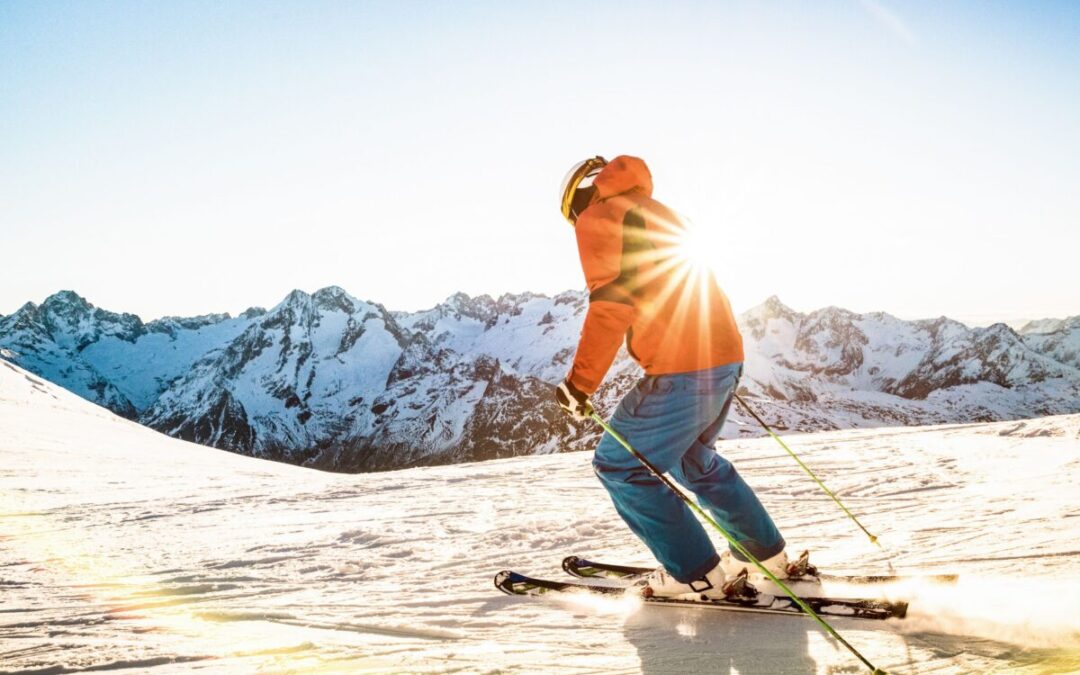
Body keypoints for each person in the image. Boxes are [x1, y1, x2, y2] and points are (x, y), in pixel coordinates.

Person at [554, 154, 791, 599]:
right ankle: (765, 555)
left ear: (578, 199)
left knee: (618, 466)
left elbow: (611, 305)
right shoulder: (659, 212)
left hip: (684, 365)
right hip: (722, 355)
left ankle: (693, 573)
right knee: (694, 461)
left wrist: (579, 385)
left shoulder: (599, 217)